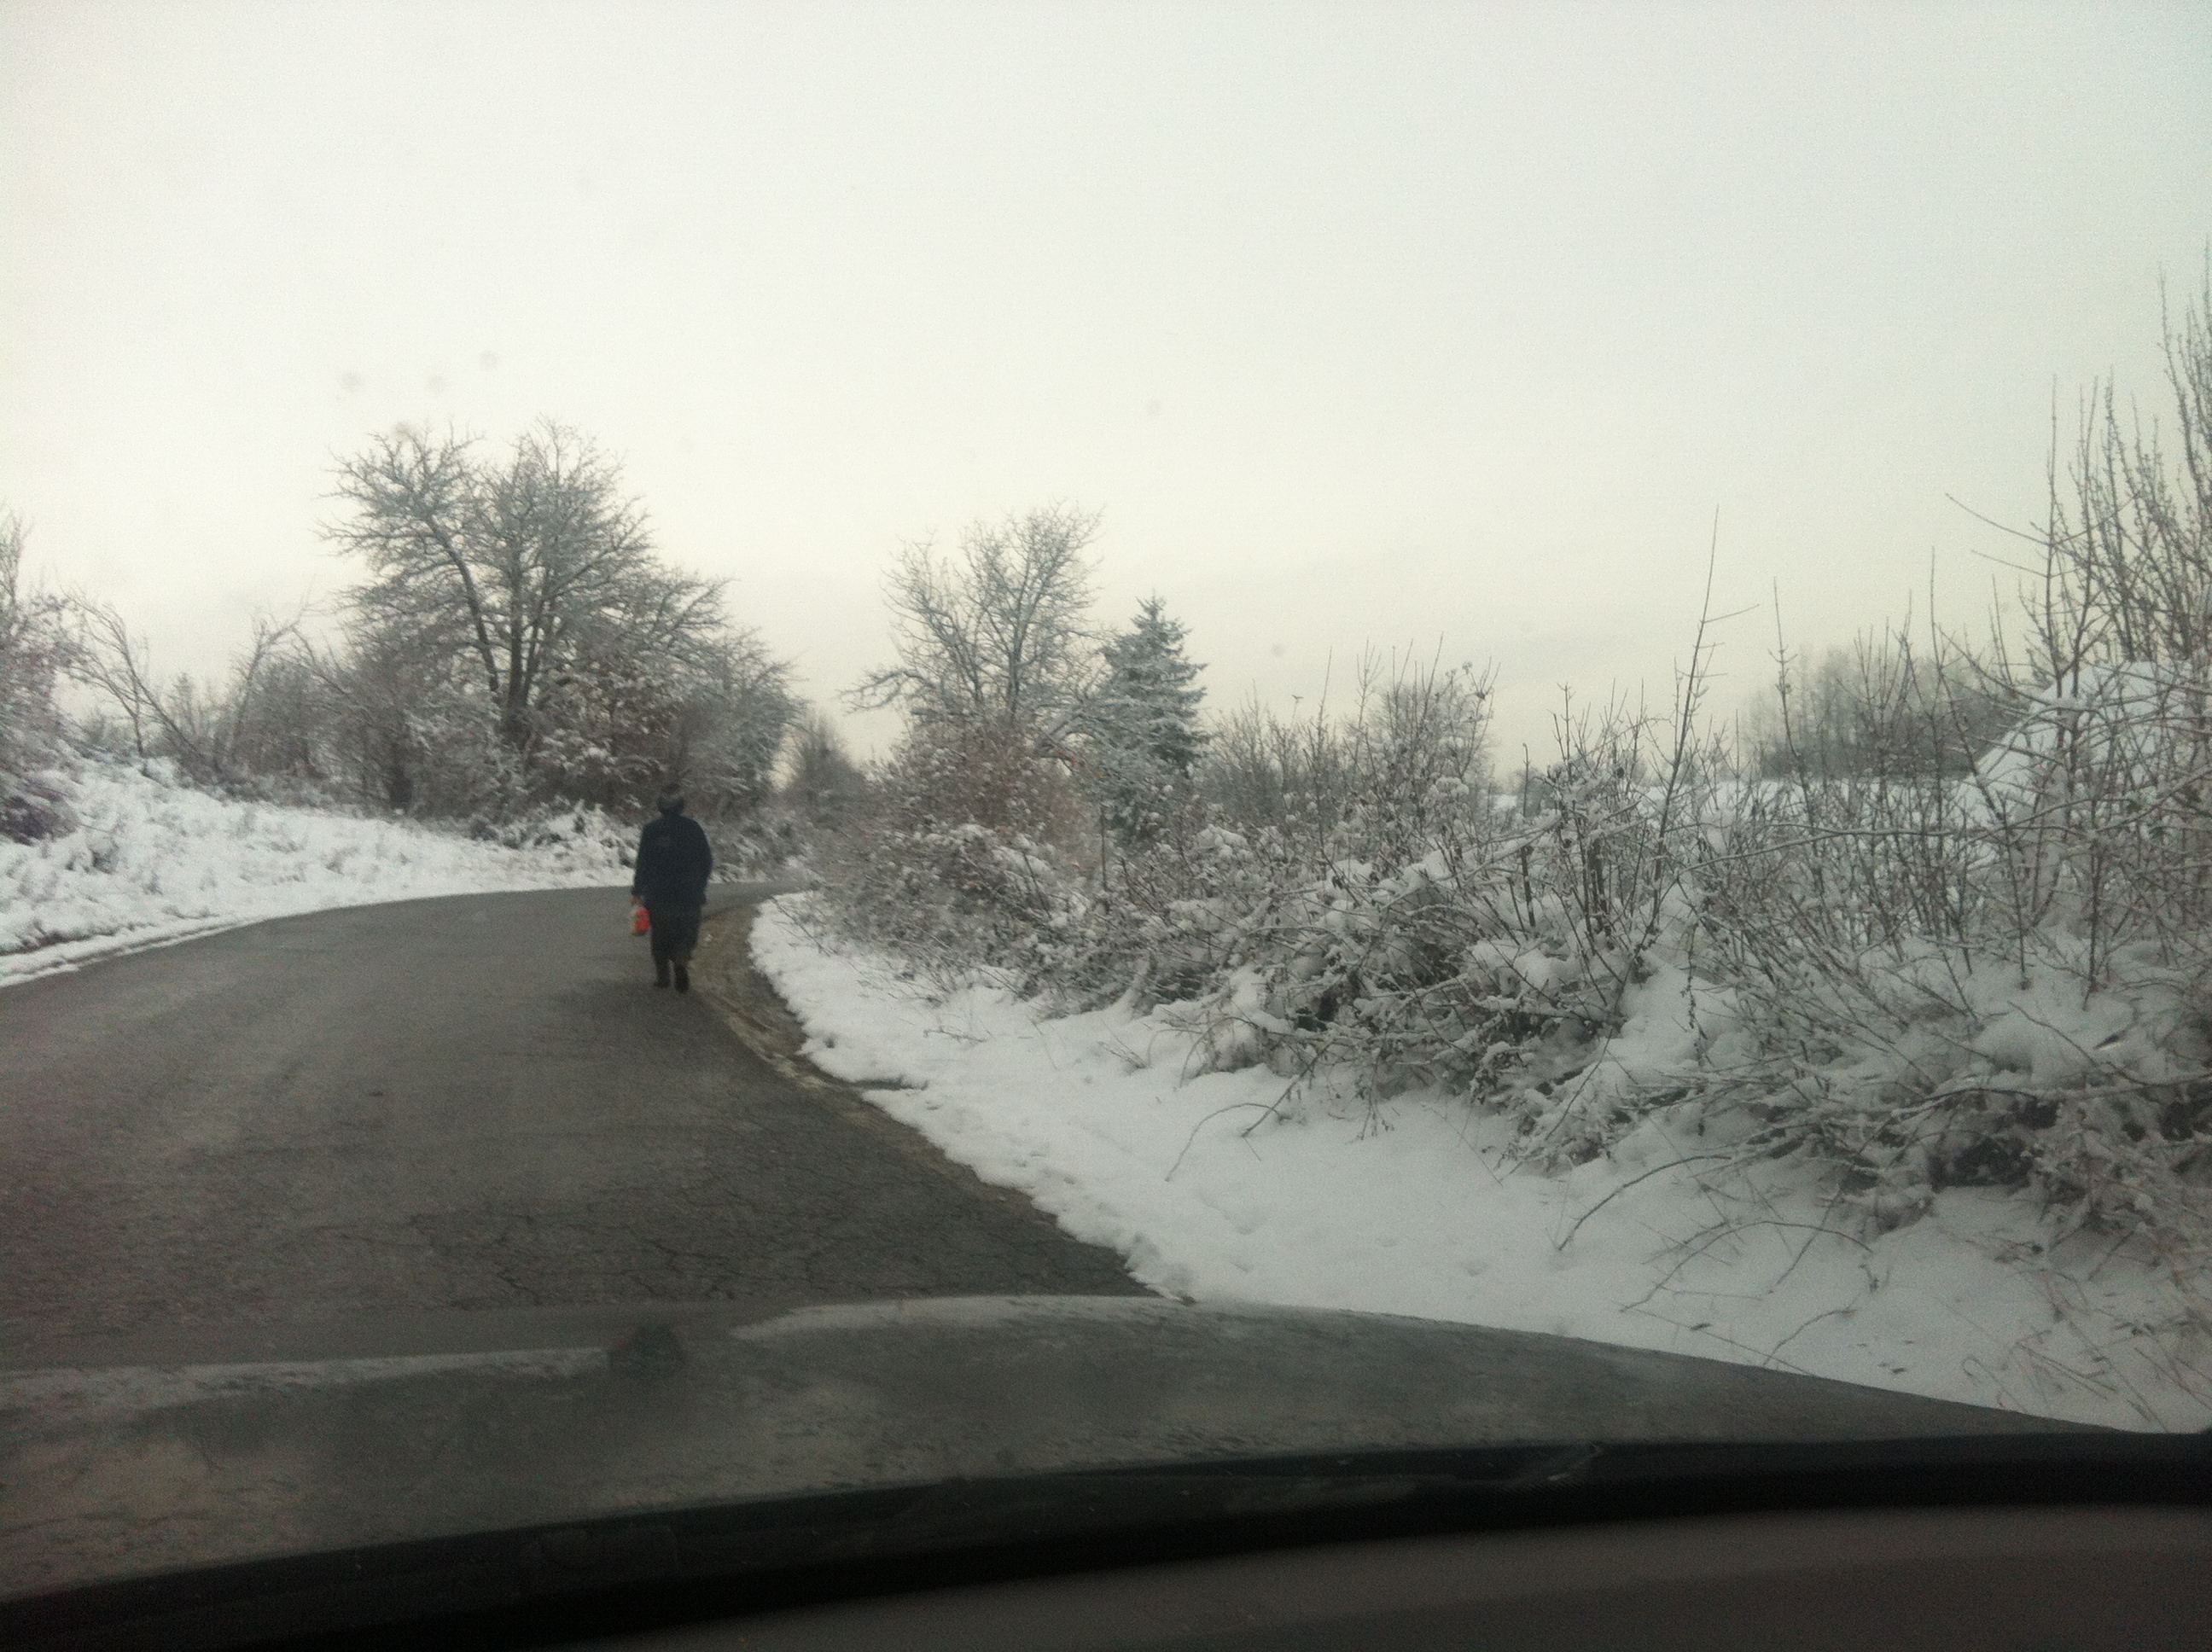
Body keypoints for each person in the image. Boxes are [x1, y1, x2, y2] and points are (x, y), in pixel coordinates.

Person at [630, 787, 713, 992]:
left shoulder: (651, 830)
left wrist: (638, 891)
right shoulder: (694, 829)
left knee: (660, 935)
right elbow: (707, 861)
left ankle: (662, 976)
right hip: (689, 895)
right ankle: (681, 960)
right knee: (687, 933)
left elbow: (643, 863)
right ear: (681, 805)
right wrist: (700, 885)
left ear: (660, 806)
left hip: (658, 895)